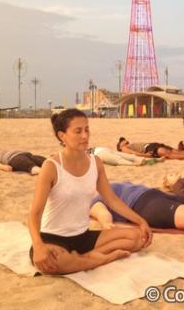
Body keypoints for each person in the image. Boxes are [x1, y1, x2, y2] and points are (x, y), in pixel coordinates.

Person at [28, 109, 152, 275]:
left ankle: (87, 258)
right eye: (78, 131)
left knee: (137, 238)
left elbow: (112, 200)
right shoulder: (51, 167)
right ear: (62, 136)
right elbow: (34, 214)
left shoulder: (96, 163)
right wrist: (38, 247)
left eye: (87, 130)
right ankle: (104, 258)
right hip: (53, 238)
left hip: (83, 237)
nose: (85, 136)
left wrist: (141, 221)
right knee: (55, 263)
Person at [117, 137, 184, 160]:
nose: (125, 140)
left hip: (151, 145)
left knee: (173, 151)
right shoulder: (123, 148)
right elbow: (134, 153)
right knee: (171, 153)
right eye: (122, 140)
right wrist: (145, 155)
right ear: (120, 145)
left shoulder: (127, 145)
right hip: (149, 148)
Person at [89, 146, 161, 167]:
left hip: (104, 149)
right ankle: (134, 164)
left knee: (129, 157)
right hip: (100, 153)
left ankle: (154, 160)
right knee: (119, 160)